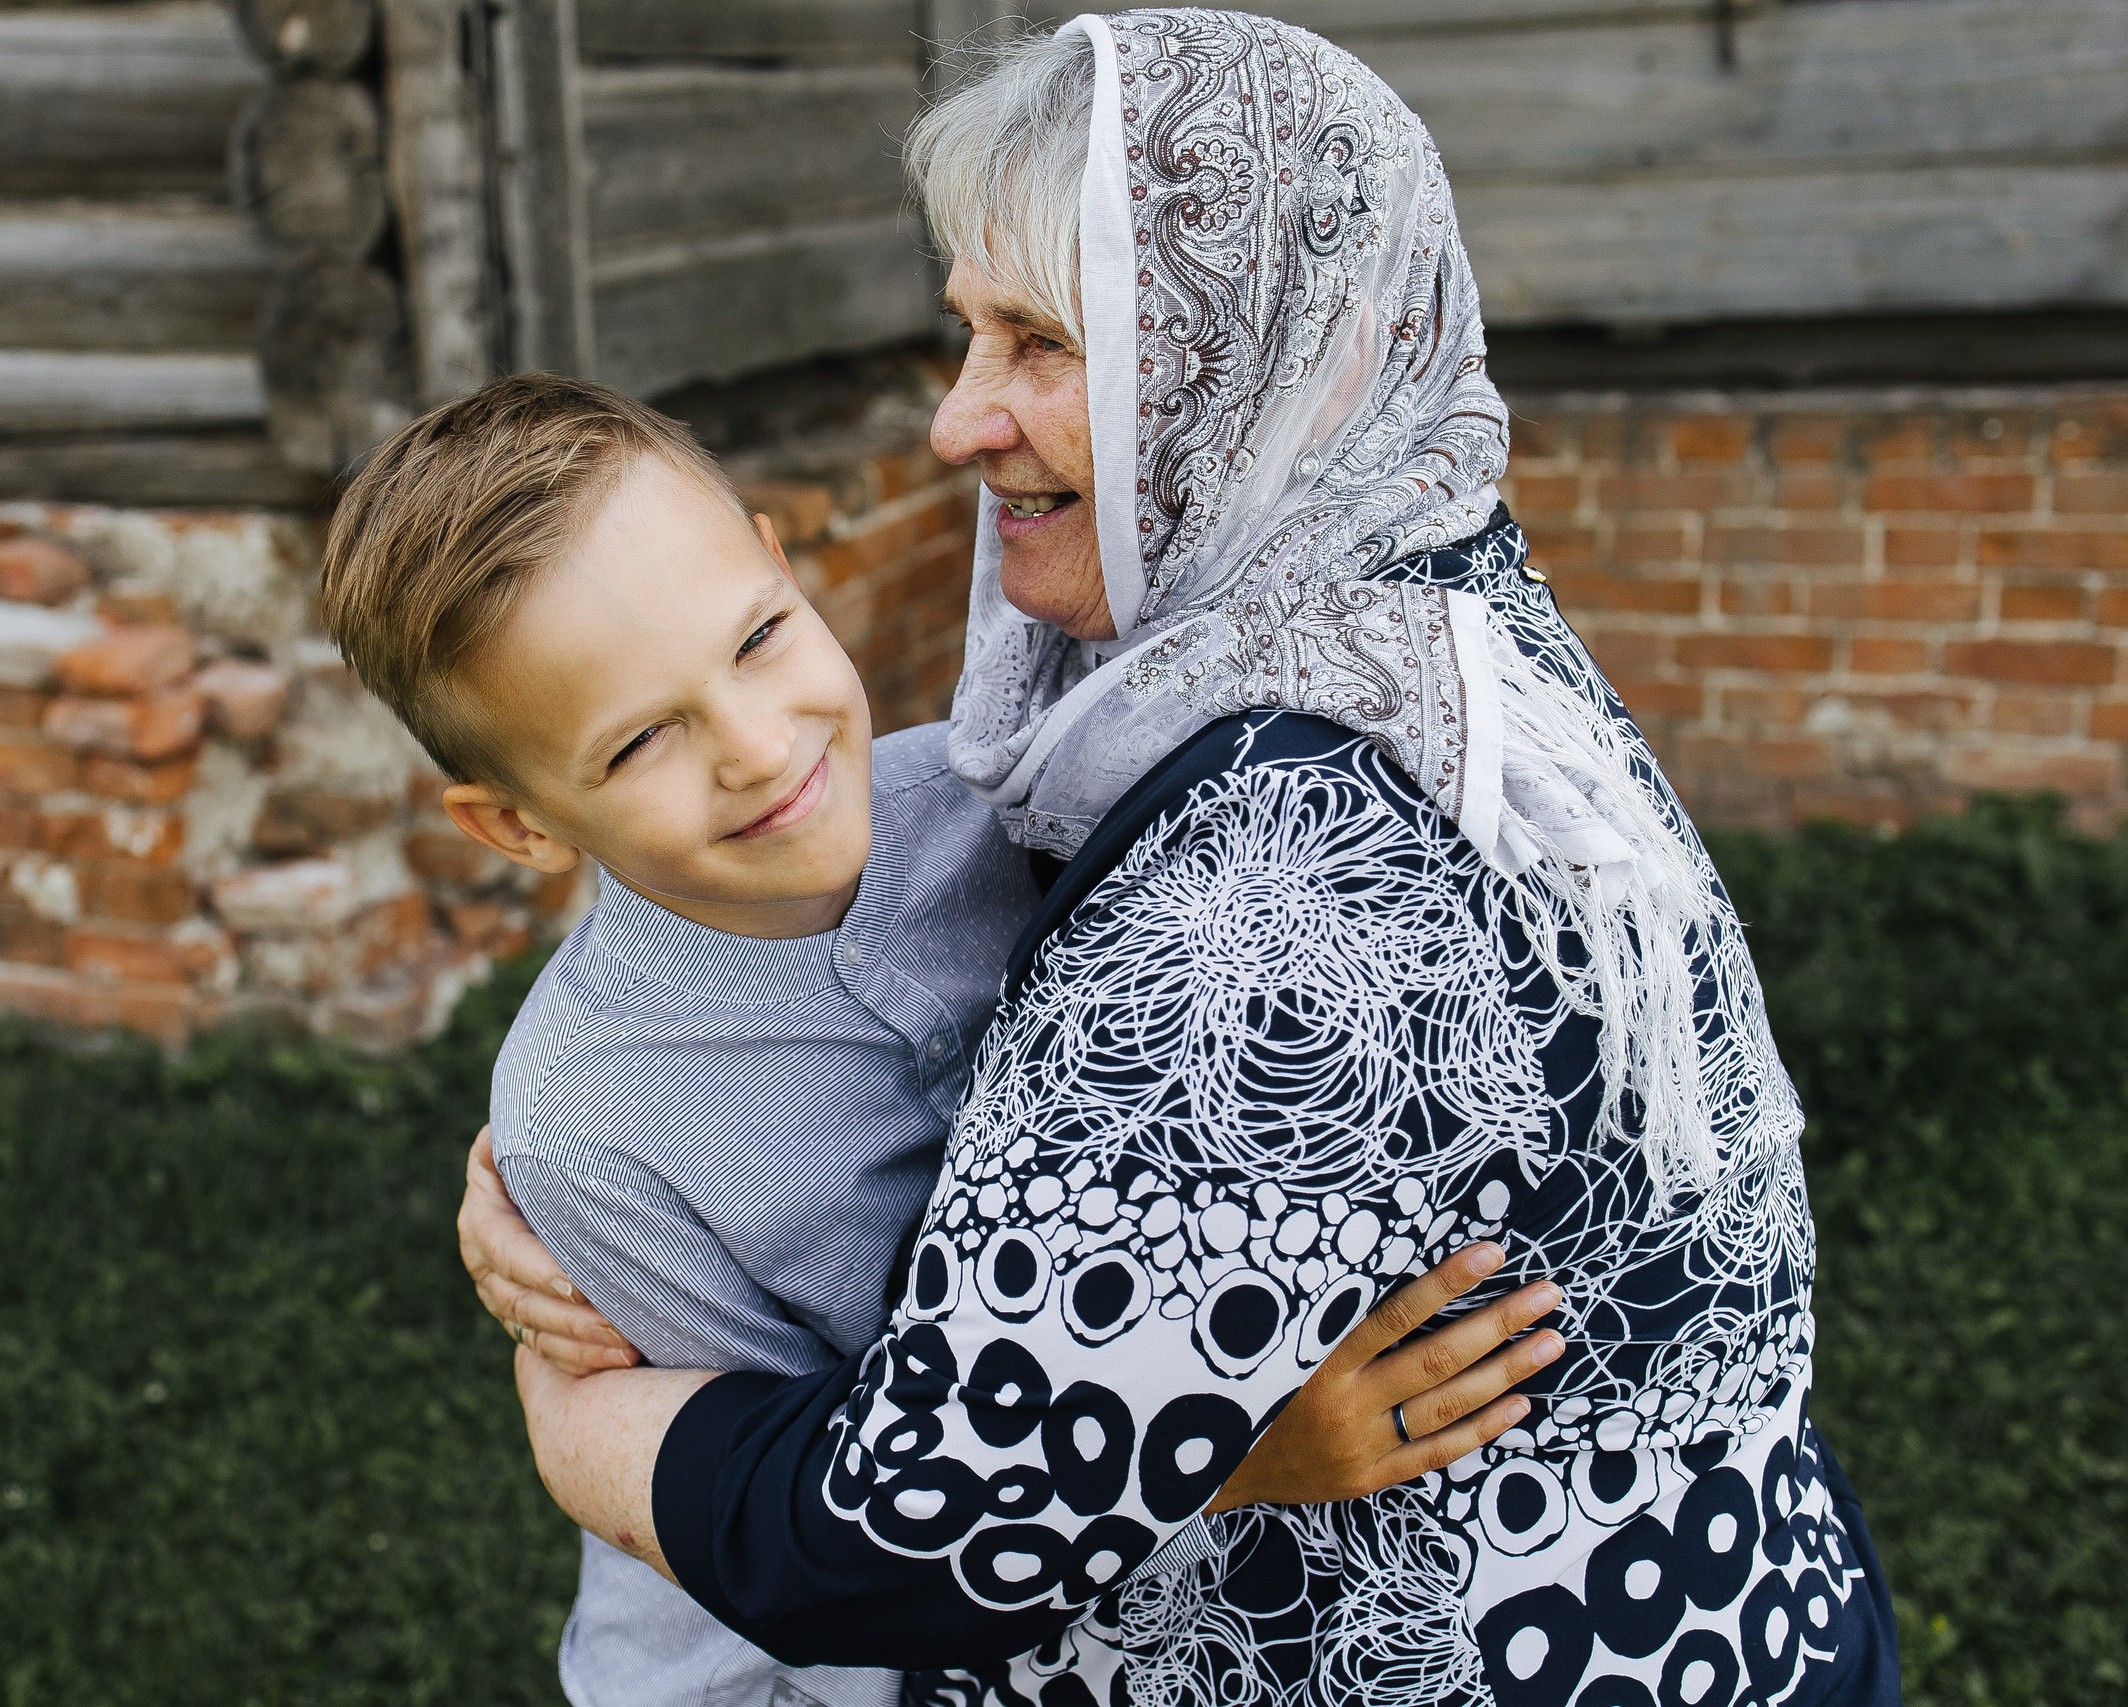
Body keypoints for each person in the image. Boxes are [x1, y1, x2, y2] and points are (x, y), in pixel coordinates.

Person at [480, 12, 1901, 1705]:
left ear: (1294, 349)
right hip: (1731, 1608)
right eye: (966, 330)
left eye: (1043, 340)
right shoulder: (1424, 625)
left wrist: (596, 1432)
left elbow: (933, 1528)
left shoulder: (1275, 886)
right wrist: (598, 1123)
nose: (958, 423)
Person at [322, 373, 1567, 1707]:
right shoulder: (597, 1128)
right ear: (514, 825)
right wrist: (1229, 1455)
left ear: (780, 563)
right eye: (638, 744)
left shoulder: (1004, 800)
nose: (755, 747)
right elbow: (826, 1515)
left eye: (756, 639)